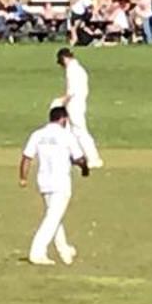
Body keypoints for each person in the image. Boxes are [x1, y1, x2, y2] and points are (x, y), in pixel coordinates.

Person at [20, 104, 88, 265]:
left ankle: (64, 249)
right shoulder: (66, 135)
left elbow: (26, 157)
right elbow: (78, 158)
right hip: (60, 182)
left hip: (44, 181)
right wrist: (85, 168)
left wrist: (23, 177)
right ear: (63, 119)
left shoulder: (38, 134)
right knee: (52, 218)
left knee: (54, 216)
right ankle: (37, 252)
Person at [55, 47, 103, 168]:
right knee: (70, 132)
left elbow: (71, 91)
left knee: (80, 132)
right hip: (78, 103)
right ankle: (73, 157)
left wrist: (61, 102)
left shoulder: (72, 70)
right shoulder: (79, 69)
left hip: (75, 105)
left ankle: (94, 159)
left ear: (64, 59)